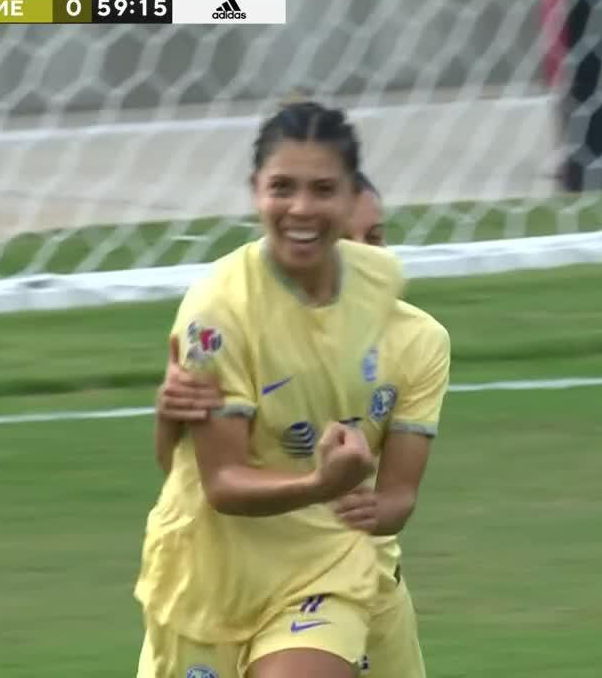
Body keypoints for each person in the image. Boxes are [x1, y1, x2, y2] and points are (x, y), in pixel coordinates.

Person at [135, 101, 408, 678]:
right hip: (212, 574)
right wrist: (320, 482)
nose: (301, 209)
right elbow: (215, 480)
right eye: (282, 187)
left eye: (322, 189)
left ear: (350, 194)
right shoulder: (215, 315)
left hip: (324, 564)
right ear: (254, 189)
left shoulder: (379, 285)